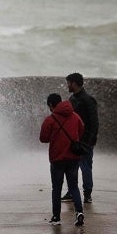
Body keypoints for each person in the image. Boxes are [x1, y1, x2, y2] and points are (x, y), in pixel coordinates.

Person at [39, 93, 85, 227]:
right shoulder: (75, 116)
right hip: (73, 157)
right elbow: (80, 131)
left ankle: (56, 217)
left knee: (57, 188)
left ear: (51, 105)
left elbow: (43, 138)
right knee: (74, 186)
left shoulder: (50, 119)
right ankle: (79, 212)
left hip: (57, 159)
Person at [62, 72, 99, 204]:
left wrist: (89, 140)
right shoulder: (72, 99)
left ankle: (87, 194)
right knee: (72, 167)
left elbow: (94, 122)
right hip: (74, 140)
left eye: (69, 83)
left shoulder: (88, 100)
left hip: (84, 141)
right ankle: (73, 192)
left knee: (85, 167)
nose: (67, 85)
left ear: (74, 83)